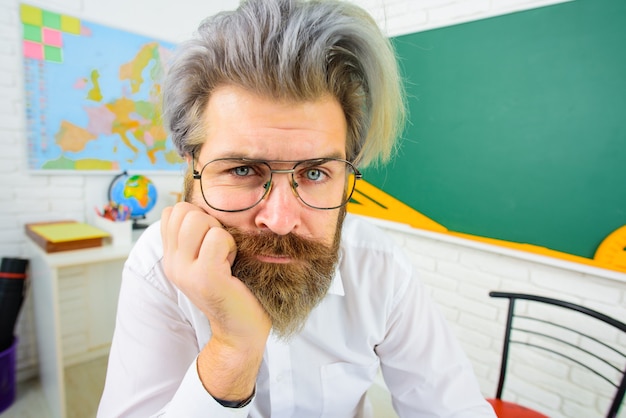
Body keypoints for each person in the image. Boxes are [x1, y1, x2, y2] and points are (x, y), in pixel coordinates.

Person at [98, 0, 496, 416]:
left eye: (316, 173)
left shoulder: (379, 269)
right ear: (191, 170)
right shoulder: (155, 269)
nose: (282, 220)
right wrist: (233, 351)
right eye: (243, 169)